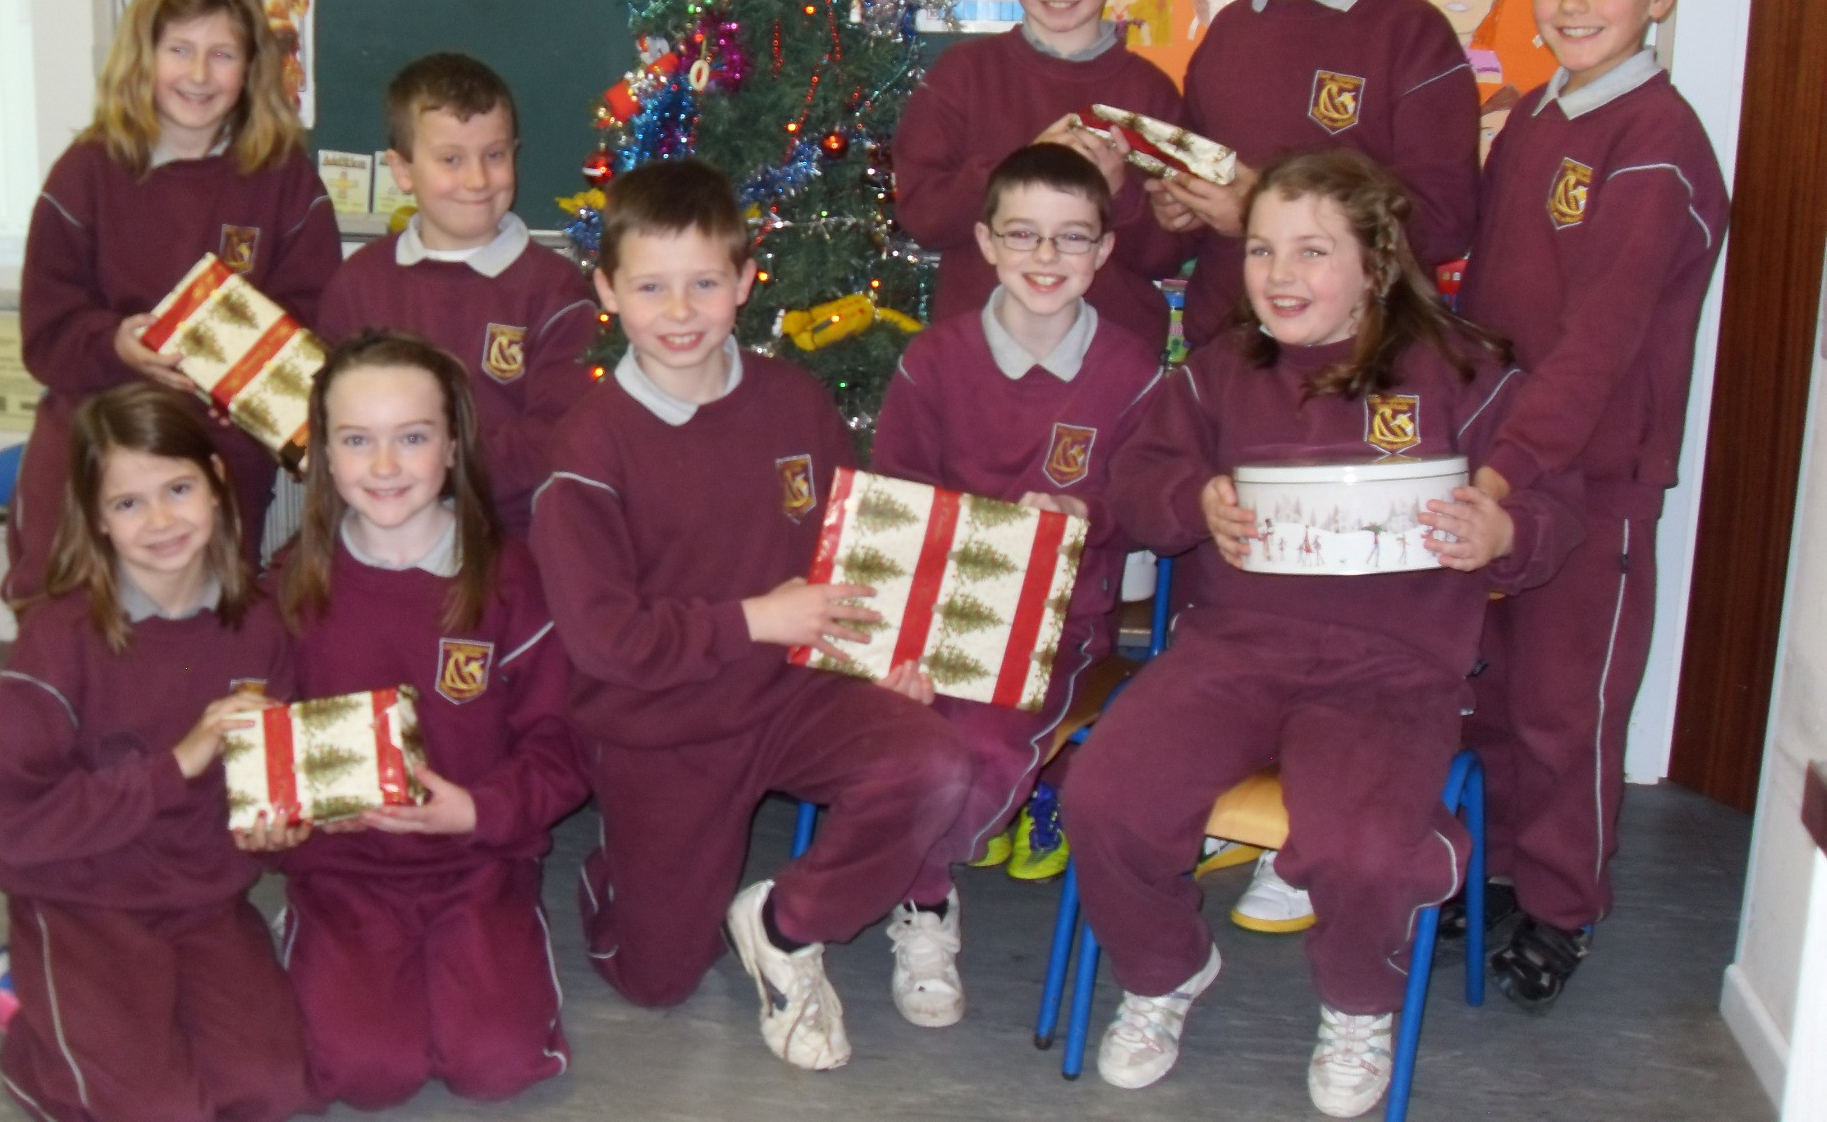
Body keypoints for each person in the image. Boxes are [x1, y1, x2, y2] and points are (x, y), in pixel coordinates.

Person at [1069, 149, 1580, 1118]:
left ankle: (1357, 1002)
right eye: (1262, 248)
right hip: (1231, 652)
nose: (1277, 274)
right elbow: (1137, 487)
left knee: (1362, 848)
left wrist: (1503, 533)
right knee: (1104, 796)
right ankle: (1166, 969)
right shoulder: (1220, 371)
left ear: (1374, 262)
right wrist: (1193, 500)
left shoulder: (1461, 372)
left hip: (1392, 670)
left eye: (1311, 251)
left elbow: (1556, 510)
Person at [531, 158, 973, 1069]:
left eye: (704, 283)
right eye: (650, 287)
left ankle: (782, 925)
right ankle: (620, 870)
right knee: (659, 979)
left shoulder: (794, 404)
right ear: (607, 291)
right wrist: (754, 620)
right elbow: (606, 642)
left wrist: (884, 660)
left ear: (743, 280)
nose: (680, 311)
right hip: (662, 725)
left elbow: (853, 557)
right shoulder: (588, 450)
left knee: (930, 764)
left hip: (794, 694)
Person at [1456, 0, 1730, 1010]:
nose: (1573, 3)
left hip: (1590, 481)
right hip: (1503, 469)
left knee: (1567, 708)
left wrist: (1505, 468)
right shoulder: (1533, 115)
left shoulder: (1658, 144)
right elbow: (1489, 302)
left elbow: (1598, 345)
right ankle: (1499, 875)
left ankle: (1563, 908)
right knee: (1493, 690)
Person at [262, 332, 587, 1106]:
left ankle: (498, 954)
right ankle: (309, 945)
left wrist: (479, 810)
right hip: (342, 871)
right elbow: (262, 743)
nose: (384, 466)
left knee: (498, 1066)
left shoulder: (509, 579)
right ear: (324, 455)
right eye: (356, 441)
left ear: (452, 447)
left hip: (479, 862)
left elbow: (564, 744)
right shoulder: (290, 585)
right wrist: (276, 814)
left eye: (411, 438)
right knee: (366, 1075)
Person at [0, 384, 308, 1122]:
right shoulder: (56, 642)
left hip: (200, 900)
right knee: (160, 1111)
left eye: (178, 489)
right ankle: (32, 1027)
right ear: (96, 517)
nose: (160, 521)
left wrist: (275, 829)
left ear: (217, 482)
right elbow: (10, 836)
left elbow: (263, 792)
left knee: (272, 1089)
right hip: (80, 899)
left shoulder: (258, 626)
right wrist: (177, 764)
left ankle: (97, 1020)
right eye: (128, 503)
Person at [872, 143, 1156, 938]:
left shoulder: (1130, 371)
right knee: (898, 730)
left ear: (1103, 251)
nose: (1046, 256)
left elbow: (1145, 507)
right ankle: (901, 877)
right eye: (1023, 234)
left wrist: (1084, 515)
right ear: (987, 243)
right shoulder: (934, 360)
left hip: (1058, 620)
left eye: (1072, 238)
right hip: (936, 607)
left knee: (983, 746)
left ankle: (920, 898)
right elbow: (898, 494)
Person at [8, 0, 341, 600]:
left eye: (222, 55)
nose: (199, 75)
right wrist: (116, 345)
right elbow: (46, 333)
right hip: (98, 420)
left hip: (219, 432)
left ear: (252, 68)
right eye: (179, 51)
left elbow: (315, 319)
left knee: (205, 612)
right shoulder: (86, 172)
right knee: (71, 603)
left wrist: (246, 379)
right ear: (144, 58)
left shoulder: (284, 178)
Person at [1149, 0, 1476, 359]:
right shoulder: (1226, 35)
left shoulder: (1413, 37)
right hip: (1224, 353)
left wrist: (1262, 212)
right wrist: (1183, 208)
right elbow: (1200, 199)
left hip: (1358, 362)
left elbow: (1445, 220)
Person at [896, 0, 1188, 356]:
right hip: (979, 357)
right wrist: (1019, 167)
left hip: (1112, 359)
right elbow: (922, 217)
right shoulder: (963, 75)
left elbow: (1169, 253)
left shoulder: (1151, 94)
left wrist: (1118, 194)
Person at [316, 53, 597, 535]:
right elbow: (326, 414)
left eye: (495, 155)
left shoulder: (557, 290)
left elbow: (555, 434)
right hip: (381, 532)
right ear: (403, 170)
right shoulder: (358, 283)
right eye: (451, 159)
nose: (477, 180)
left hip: (511, 539)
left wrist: (428, 474)